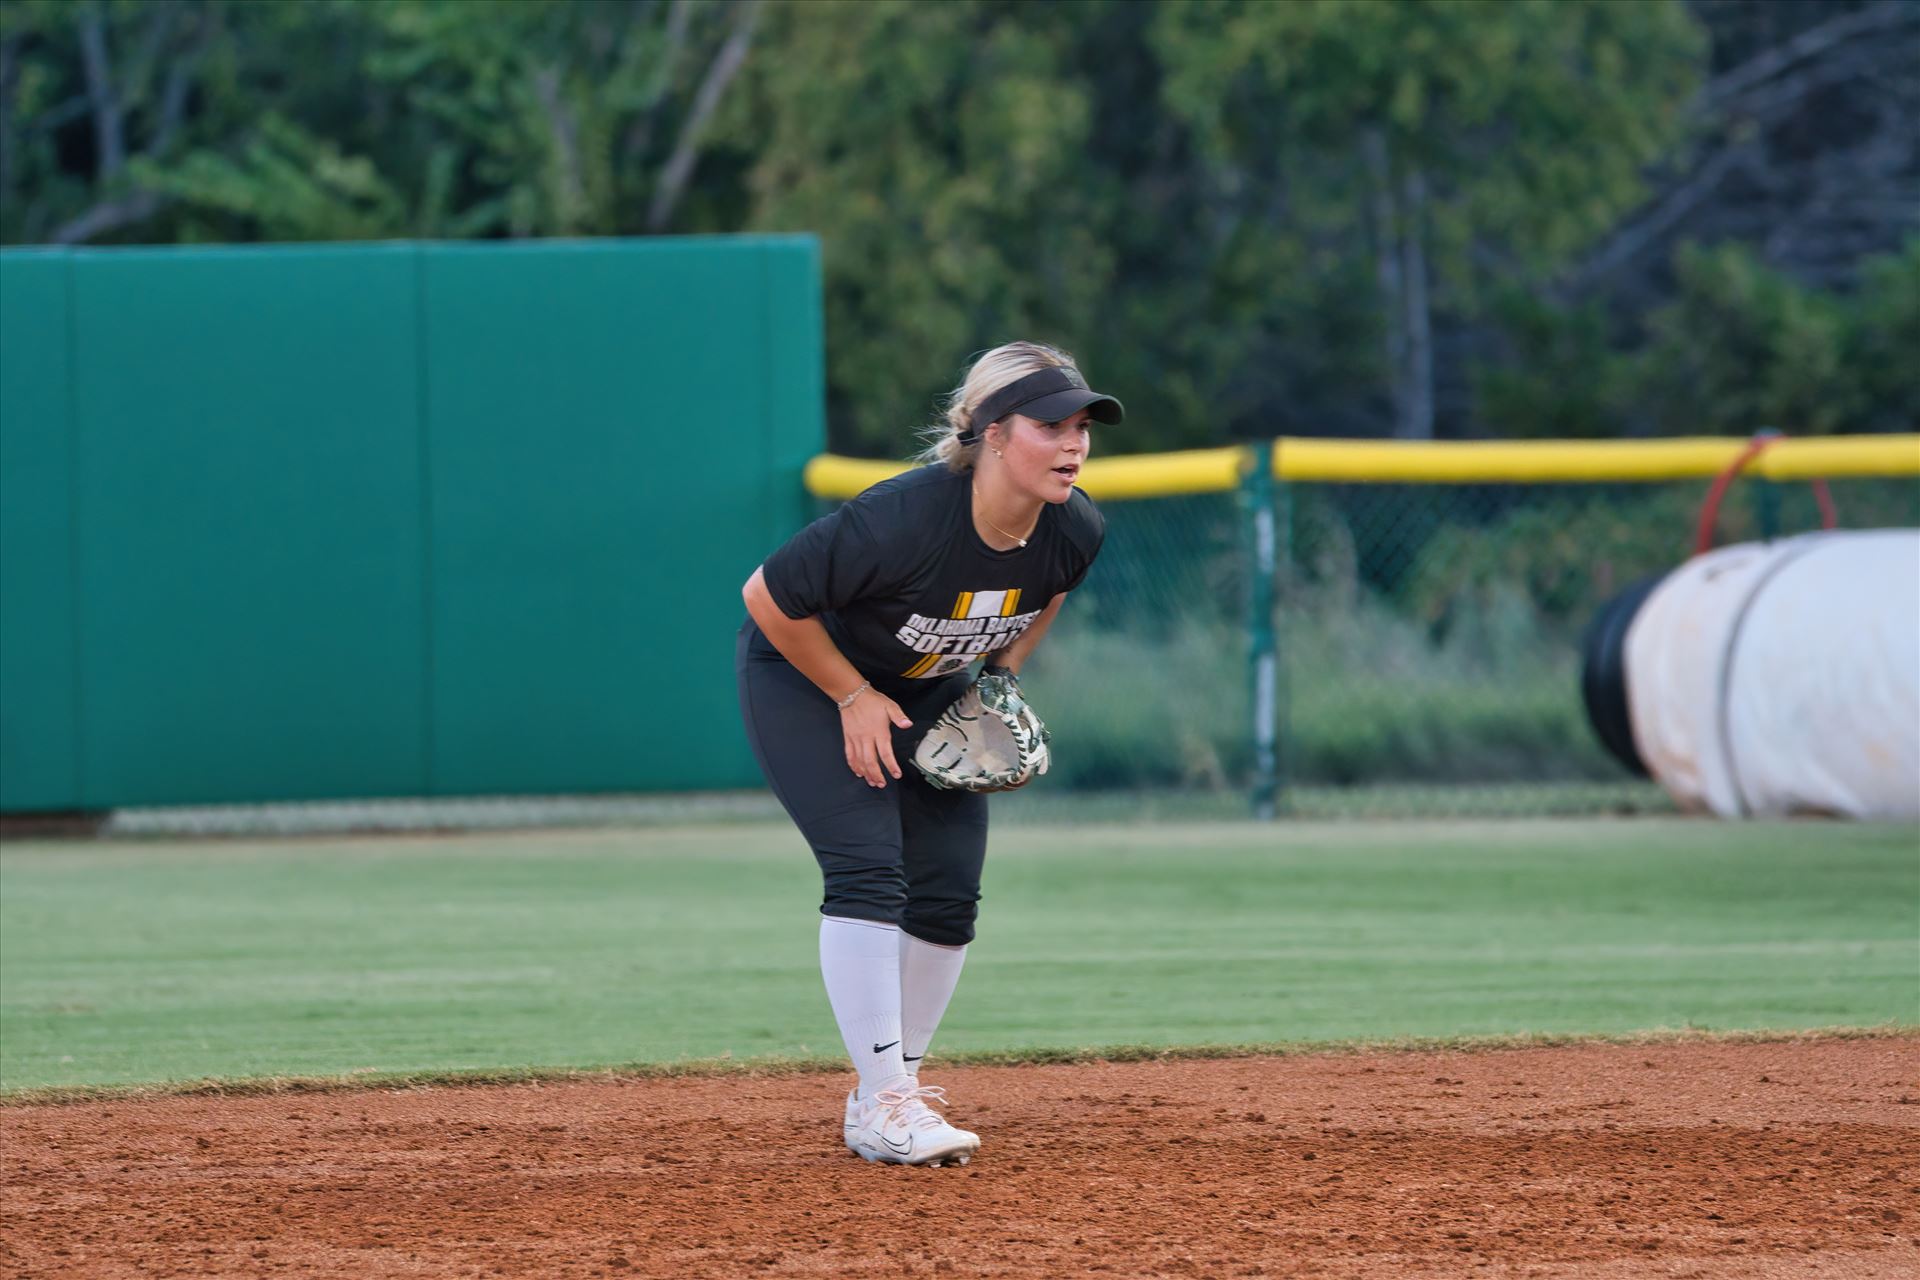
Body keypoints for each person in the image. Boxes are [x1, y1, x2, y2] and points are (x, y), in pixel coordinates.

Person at [736, 341, 1122, 1166]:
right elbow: (767, 597)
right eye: (1050, 423)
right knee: (870, 868)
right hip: (807, 674)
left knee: (947, 895)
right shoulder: (901, 518)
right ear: (989, 432)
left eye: (1083, 424)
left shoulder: (1073, 527)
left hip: (925, 689)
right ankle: (885, 1102)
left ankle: (891, 1093)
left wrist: (1004, 676)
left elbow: (1049, 591)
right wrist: (849, 695)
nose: (1074, 442)